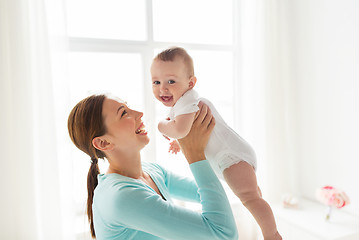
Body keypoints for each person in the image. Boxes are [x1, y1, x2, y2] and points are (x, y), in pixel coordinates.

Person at [151, 47, 282, 240]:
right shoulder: (181, 104)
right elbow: (188, 131)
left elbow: (181, 129)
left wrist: (161, 126)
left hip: (232, 157)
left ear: (191, 83)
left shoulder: (188, 100)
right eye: (156, 82)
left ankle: (273, 235)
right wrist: (179, 142)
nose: (163, 88)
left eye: (171, 81)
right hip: (230, 157)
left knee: (250, 199)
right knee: (254, 197)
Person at [67, 94, 238, 240]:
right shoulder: (122, 197)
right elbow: (224, 235)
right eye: (124, 113)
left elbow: (210, 196)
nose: (139, 114)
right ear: (103, 143)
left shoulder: (151, 171)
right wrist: (195, 154)